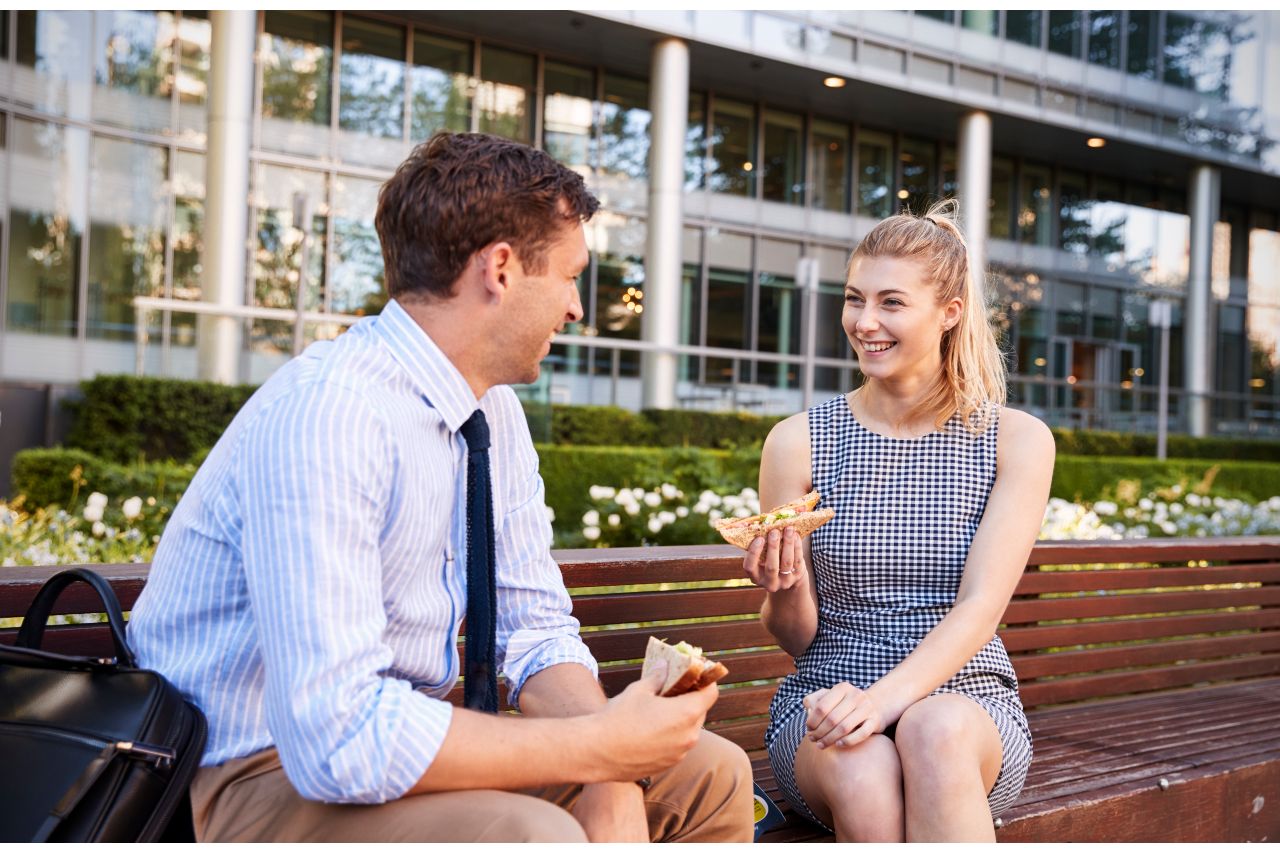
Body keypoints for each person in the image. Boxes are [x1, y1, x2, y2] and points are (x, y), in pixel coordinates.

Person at [127, 132, 753, 843]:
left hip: (387, 743)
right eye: (572, 275)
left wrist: (608, 769)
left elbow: (537, 631)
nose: (577, 308)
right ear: (502, 268)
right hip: (252, 776)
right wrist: (598, 748)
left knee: (713, 774)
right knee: (532, 834)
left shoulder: (492, 412)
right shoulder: (330, 412)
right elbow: (336, 740)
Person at [742, 200, 1055, 842]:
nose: (865, 322)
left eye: (891, 303)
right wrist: (782, 584)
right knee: (862, 766)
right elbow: (800, 637)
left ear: (950, 313)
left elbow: (979, 608)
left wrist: (885, 701)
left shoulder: (1015, 441)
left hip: (968, 702)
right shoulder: (796, 442)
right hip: (827, 700)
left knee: (930, 728)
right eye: (855, 299)